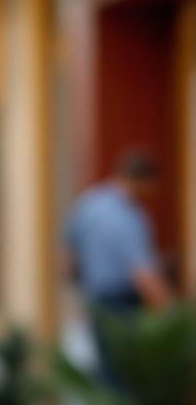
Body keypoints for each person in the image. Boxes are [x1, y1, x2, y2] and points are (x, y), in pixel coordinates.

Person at [64, 148, 173, 379]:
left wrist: (83, 292)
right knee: (122, 375)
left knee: (102, 372)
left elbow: (68, 261)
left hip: (94, 300)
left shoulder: (88, 203)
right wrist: (172, 313)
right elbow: (142, 272)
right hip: (121, 304)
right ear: (143, 181)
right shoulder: (129, 216)